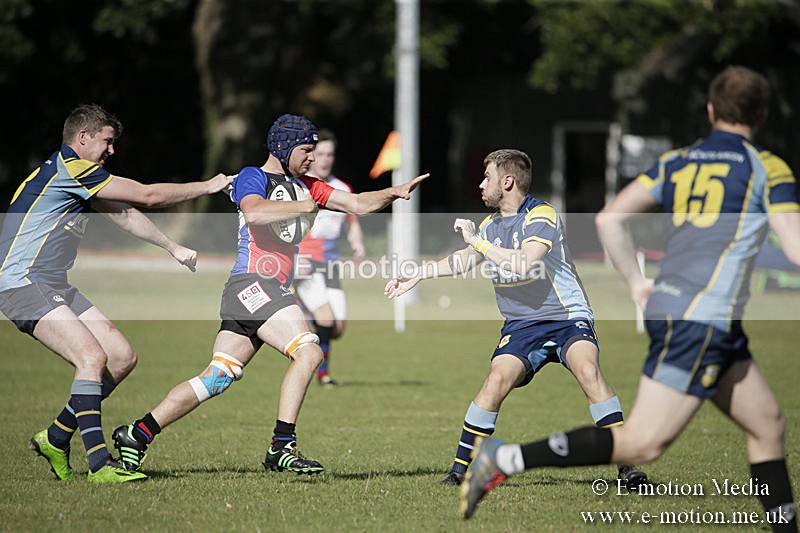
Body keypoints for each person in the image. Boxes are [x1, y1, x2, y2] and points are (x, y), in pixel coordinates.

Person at [460, 66, 800, 531]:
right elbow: (794, 246)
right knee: (642, 443)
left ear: (710, 111)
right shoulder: (767, 166)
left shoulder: (677, 162)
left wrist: (638, 283)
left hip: (687, 313)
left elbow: (609, 219)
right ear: (761, 115)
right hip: (702, 317)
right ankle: (506, 458)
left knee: (768, 424)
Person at [112, 114, 427, 475]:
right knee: (309, 351)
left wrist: (393, 192)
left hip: (260, 291)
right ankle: (282, 446)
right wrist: (304, 206)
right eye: (306, 150)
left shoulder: (307, 185)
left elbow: (357, 204)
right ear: (283, 147)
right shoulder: (254, 176)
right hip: (253, 284)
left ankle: (137, 434)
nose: (312, 157)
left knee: (217, 377)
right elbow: (253, 211)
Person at [384, 149, 645, 488]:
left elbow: (524, 263)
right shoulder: (491, 225)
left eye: (487, 178)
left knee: (588, 371)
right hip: (521, 326)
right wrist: (418, 274)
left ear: (507, 182)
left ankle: (628, 466)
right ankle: (460, 472)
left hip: (566, 317)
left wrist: (477, 242)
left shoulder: (542, 215)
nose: (481, 185)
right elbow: (464, 260)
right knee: (495, 381)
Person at [0, 103, 232, 483]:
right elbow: (148, 195)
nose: (112, 150)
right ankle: (99, 465)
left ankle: (55, 437)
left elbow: (123, 213)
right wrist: (208, 186)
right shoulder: (72, 169)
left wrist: (172, 247)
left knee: (121, 357)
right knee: (92, 357)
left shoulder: (78, 176)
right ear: (83, 137)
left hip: (51, 282)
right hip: (22, 282)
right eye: (107, 142)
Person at [293, 129, 365, 387]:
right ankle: (323, 375)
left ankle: (300, 307)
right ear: (311, 156)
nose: (325, 159)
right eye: (320, 154)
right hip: (305, 264)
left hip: (331, 266)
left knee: (337, 329)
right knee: (325, 318)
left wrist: (357, 244)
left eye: (330, 154)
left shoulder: (342, 189)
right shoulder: (300, 187)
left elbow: (352, 223)